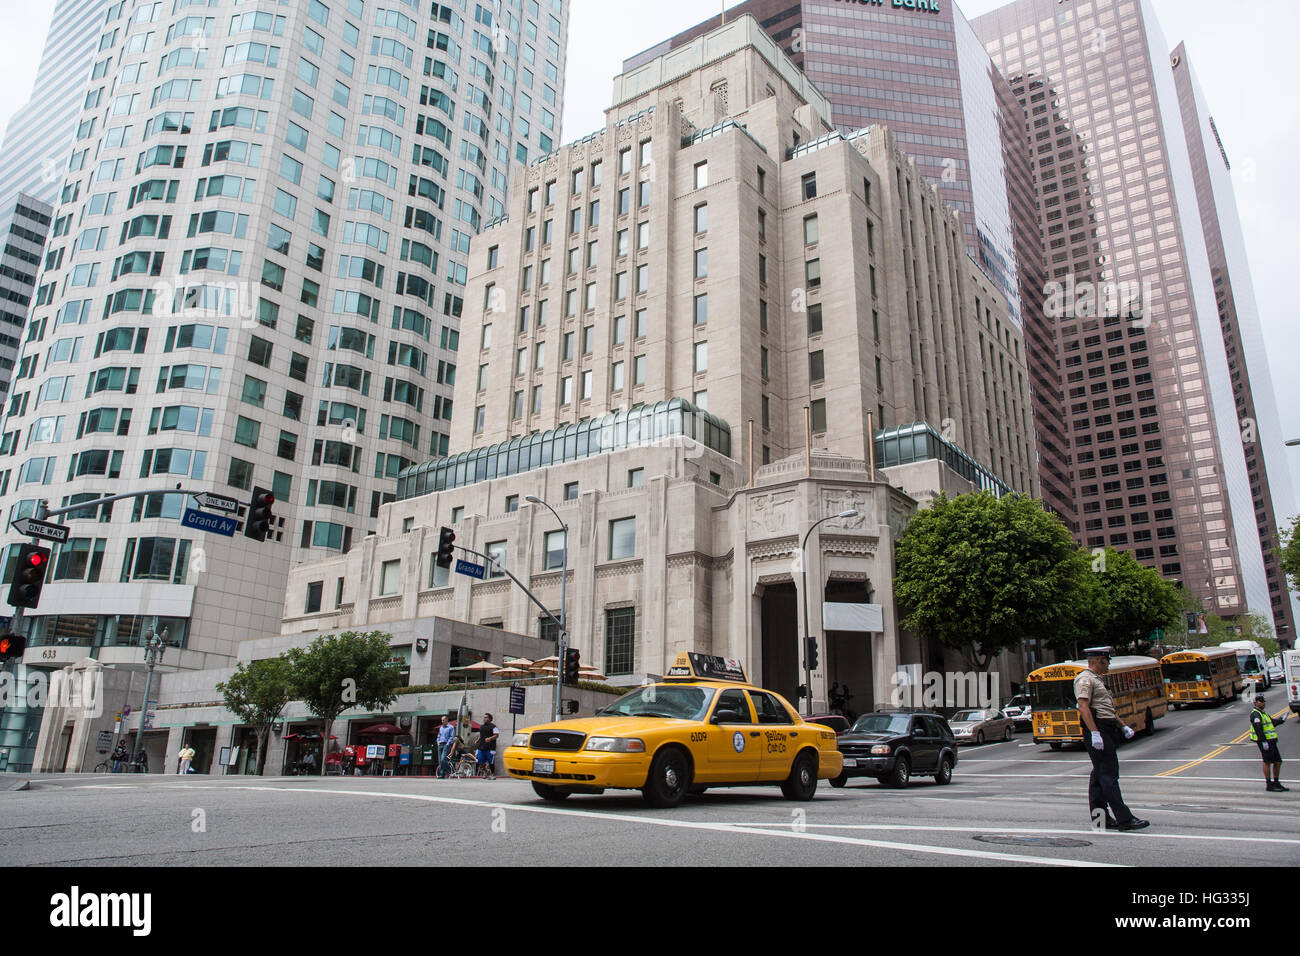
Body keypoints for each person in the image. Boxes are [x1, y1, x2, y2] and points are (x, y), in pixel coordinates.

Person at [1075, 646, 1149, 831]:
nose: (1108, 665)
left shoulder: (1097, 680)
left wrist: (1122, 725)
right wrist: (1094, 733)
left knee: (1099, 776)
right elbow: (1084, 707)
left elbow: (1106, 708)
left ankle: (1101, 819)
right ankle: (1124, 819)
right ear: (1099, 660)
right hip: (1098, 728)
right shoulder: (1085, 679)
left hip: (1105, 727)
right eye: (1107, 661)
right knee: (1109, 774)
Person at [1249, 694, 1289, 792]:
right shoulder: (1255, 714)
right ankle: (1269, 784)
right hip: (1265, 742)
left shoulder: (1263, 713)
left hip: (1272, 741)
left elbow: (1271, 722)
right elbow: (1258, 729)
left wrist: (1281, 720)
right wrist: (1263, 742)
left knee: (1278, 761)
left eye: (1263, 701)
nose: (1263, 703)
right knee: (1267, 762)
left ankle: (1276, 782)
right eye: (1261, 701)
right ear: (1256, 703)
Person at [475, 713, 499, 779]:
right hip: (481, 747)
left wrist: (490, 738)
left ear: (490, 719)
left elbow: (496, 735)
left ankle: (492, 774)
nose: (484, 719)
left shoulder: (494, 727)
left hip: (490, 747)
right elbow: (481, 734)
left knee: (491, 762)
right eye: (484, 717)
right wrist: (477, 740)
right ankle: (485, 772)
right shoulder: (482, 726)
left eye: (486, 717)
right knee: (480, 761)